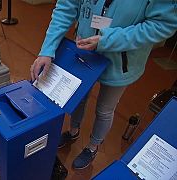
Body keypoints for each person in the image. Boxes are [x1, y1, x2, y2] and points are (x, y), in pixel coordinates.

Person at [30, 0, 177, 169]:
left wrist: (108, 40)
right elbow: (66, 6)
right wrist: (47, 50)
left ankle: (93, 147)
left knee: (105, 109)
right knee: (78, 97)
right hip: (84, 51)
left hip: (121, 60)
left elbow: (162, 25)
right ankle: (73, 131)